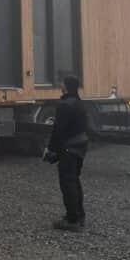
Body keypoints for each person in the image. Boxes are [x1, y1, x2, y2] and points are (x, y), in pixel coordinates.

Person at [43, 75, 89, 232]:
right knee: (74, 181)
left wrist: (51, 149)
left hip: (68, 149)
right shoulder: (79, 103)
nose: (60, 85)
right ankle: (79, 215)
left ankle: (72, 219)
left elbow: (58, 131)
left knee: (67, 183)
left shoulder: (65, 105)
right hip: (80, 148)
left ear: (67, 86)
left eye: (62, 83)